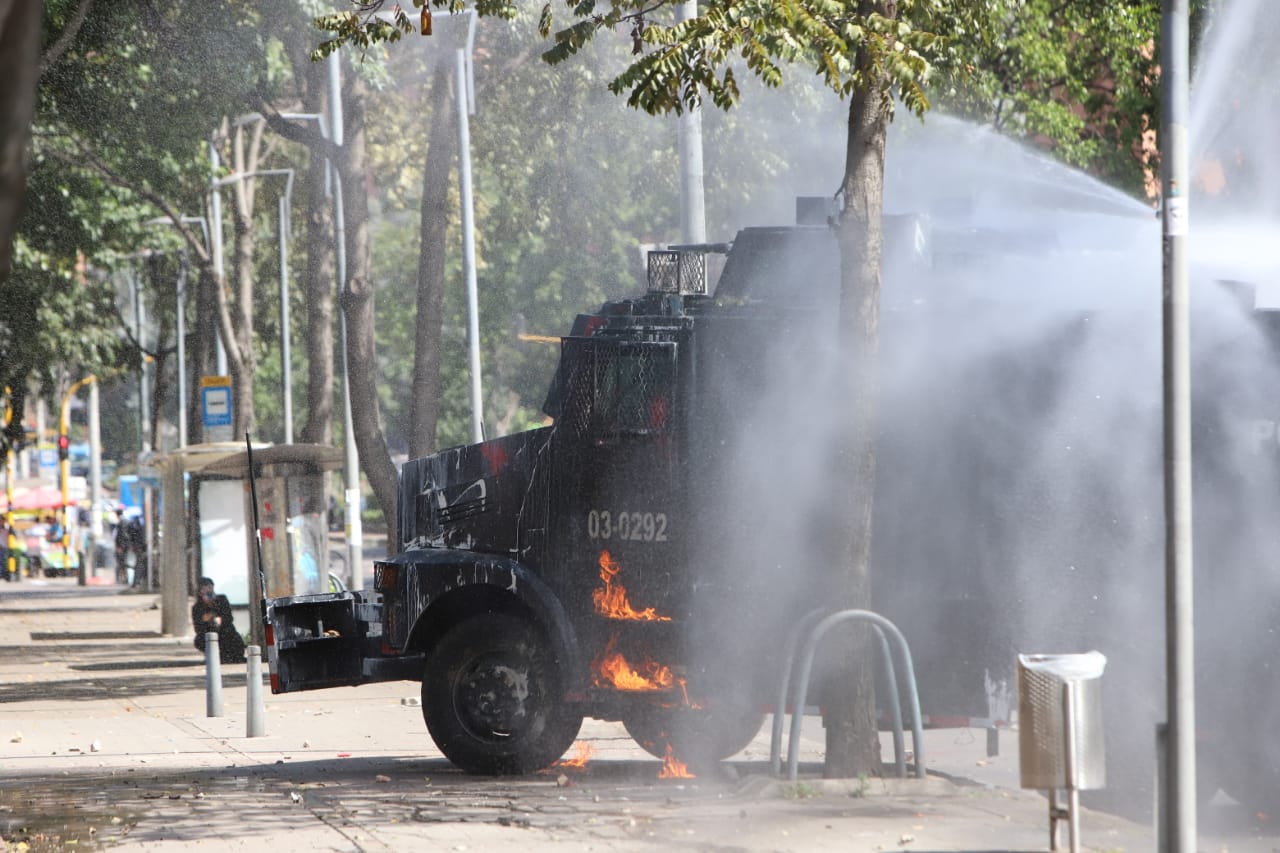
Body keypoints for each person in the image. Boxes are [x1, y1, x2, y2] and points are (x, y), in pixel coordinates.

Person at [191, 577, 246, 663]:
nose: (208, 591)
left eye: (209, 588)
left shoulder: (222, 599)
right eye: (204, 589)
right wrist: (205, 619)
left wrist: (219, 618)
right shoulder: (197, 607)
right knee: (199, 640)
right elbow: (198, 628)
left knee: (231, 636)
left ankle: (232, 656)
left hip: (225, 631)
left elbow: (229, 617)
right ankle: (214, 656)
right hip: (209, 632)